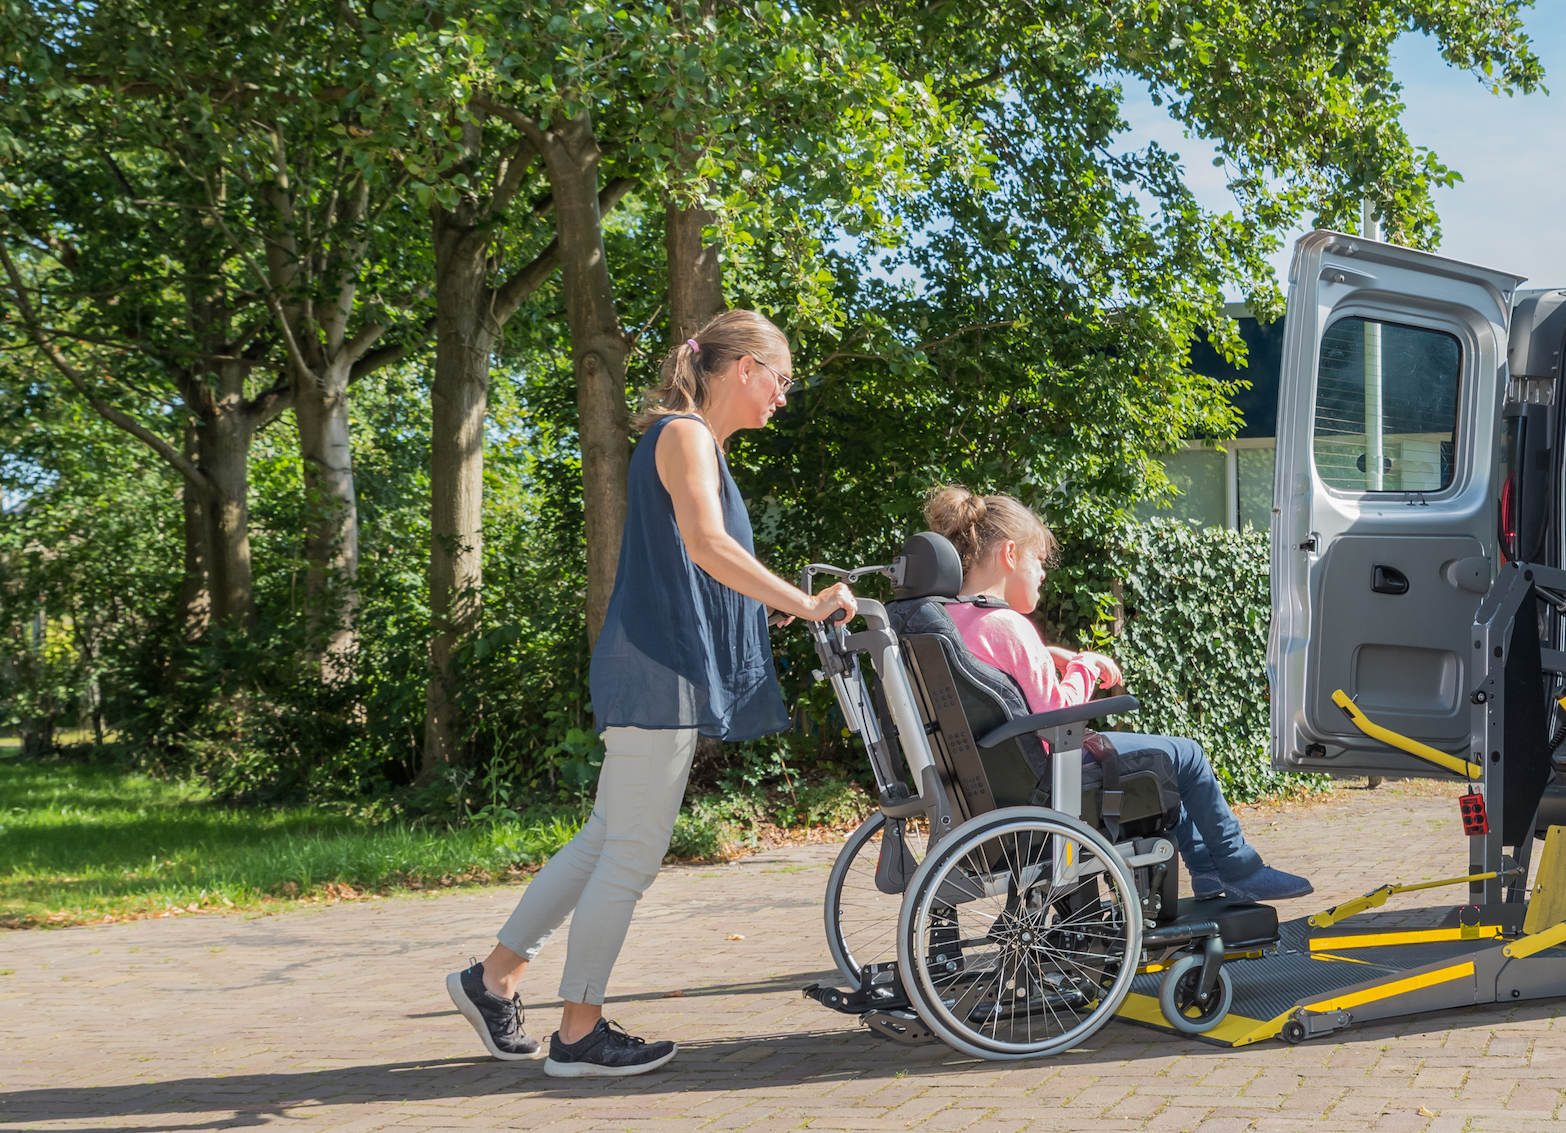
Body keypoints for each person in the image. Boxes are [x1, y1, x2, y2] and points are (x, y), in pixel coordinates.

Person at [447, 311, 857, 1077]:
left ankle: (493, 978)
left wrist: (772, 602)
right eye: (782, 379)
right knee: (629, 855)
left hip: (651, 665)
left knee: (604, 839)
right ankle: (578, 1033)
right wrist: (804, 604)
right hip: (656, 673)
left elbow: (697, 567)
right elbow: (707, 545)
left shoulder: (686, 438)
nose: (784, 397)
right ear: (744, 369)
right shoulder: (685, 435)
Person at [923, 485, 1312, 904]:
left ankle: (1210, 876)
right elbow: (1058, 714)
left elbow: (995, 673)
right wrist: (1084, 667)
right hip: (1051, 776)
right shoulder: (1007, 625)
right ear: (1011, 554)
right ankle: (1239, 867)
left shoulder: (947, 619)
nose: (1042, 574)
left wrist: (1045, 654)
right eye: (1038, 560)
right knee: (1187, 756)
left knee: (1163, 769)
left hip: (995, 780)